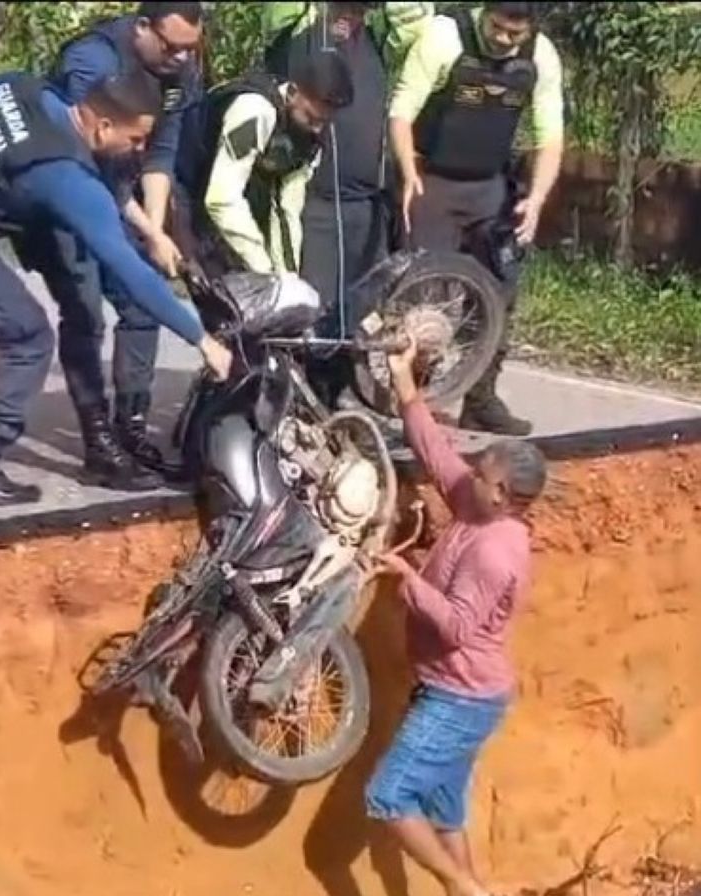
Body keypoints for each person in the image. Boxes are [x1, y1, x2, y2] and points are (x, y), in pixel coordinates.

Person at [0, 70, 232, 510]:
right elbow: (129, 270)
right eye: (135, 140)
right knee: (29, 336)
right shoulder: (64, 175)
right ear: (103, 127)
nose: (138, 151)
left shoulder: (24, 87)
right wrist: (201, 339)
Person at [366, 338, 546, 896]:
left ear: (505, 494)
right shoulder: (476, 502)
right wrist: (404, 385)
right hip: (456, 692)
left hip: (460, 698)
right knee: (445, 816)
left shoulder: (498, 550)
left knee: (387, 796)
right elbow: (438, 455)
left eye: (483, 473)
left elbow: (458, 628)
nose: (471, 473)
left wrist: (407, 578)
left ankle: (468, 891)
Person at [30, 0, 205, 490]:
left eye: (190, 50)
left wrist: (155, 232)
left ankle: (131, 426)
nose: (181, 59)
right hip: (66, 191)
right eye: (171, 47)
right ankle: (98, 442)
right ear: (142, 28)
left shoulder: (179, 72)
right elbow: (83, 152)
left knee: (141, 303)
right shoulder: (93, 61)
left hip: (122, 189)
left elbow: (159, 155)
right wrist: (146, 232)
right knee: (85, 312)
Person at [389, 1, 564, 436]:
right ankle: (415, 403)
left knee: (500, 290)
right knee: (427, 298)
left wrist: (537, 199)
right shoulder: (444, 36)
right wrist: (409, 174)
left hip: (490, 188)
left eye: (515, 34)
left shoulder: (540, 55)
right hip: (433, 184)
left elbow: (551, 137)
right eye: (498, 29)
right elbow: (401, 112)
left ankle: (481, 400)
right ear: (484, 12)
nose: (505, 40)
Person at [263, 1, 434, 407]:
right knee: (311, 311)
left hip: (366, 203)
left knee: (357, 307)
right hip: (316, 202)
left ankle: (337, 396)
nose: (352, 14)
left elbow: (418, 17)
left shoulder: (380, 39)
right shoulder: (298, 31)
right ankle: (294, 402)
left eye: (361, 8)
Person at [176, 51, 356, 281]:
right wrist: (262, 268)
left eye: (324, 122)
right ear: (292, 92)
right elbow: (222, 198)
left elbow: (286, 209)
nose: (318, 129)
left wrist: (287, 279)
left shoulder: (309, 139)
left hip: (226, 198)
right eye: (312, 118)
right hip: (183, 188)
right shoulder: (254, 110)